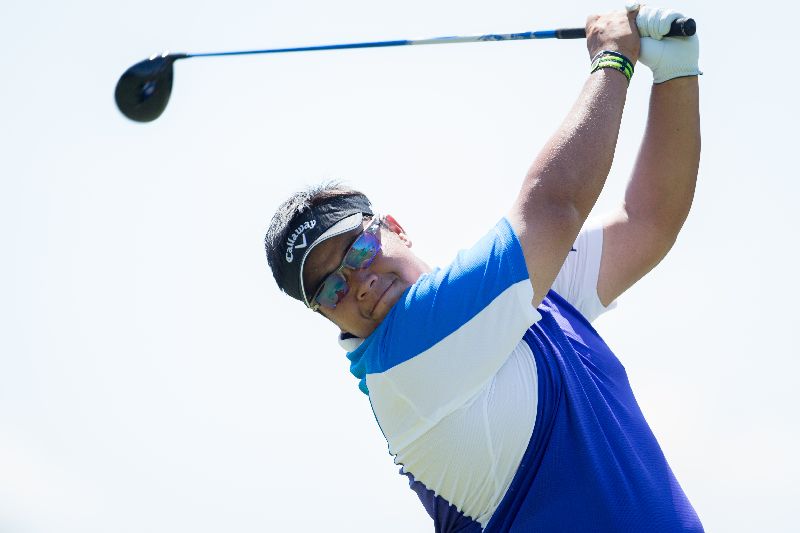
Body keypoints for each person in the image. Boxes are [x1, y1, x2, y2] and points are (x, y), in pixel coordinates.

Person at [264, 5, 702, 531]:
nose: (358, 284)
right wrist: (613, 59)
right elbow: (552, 208)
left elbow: (648, 221)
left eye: (358, 252)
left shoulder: (514, 298)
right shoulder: (403, 358)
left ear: (394, 227)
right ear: (324, 316)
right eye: (330, 289)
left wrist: (677, 71)